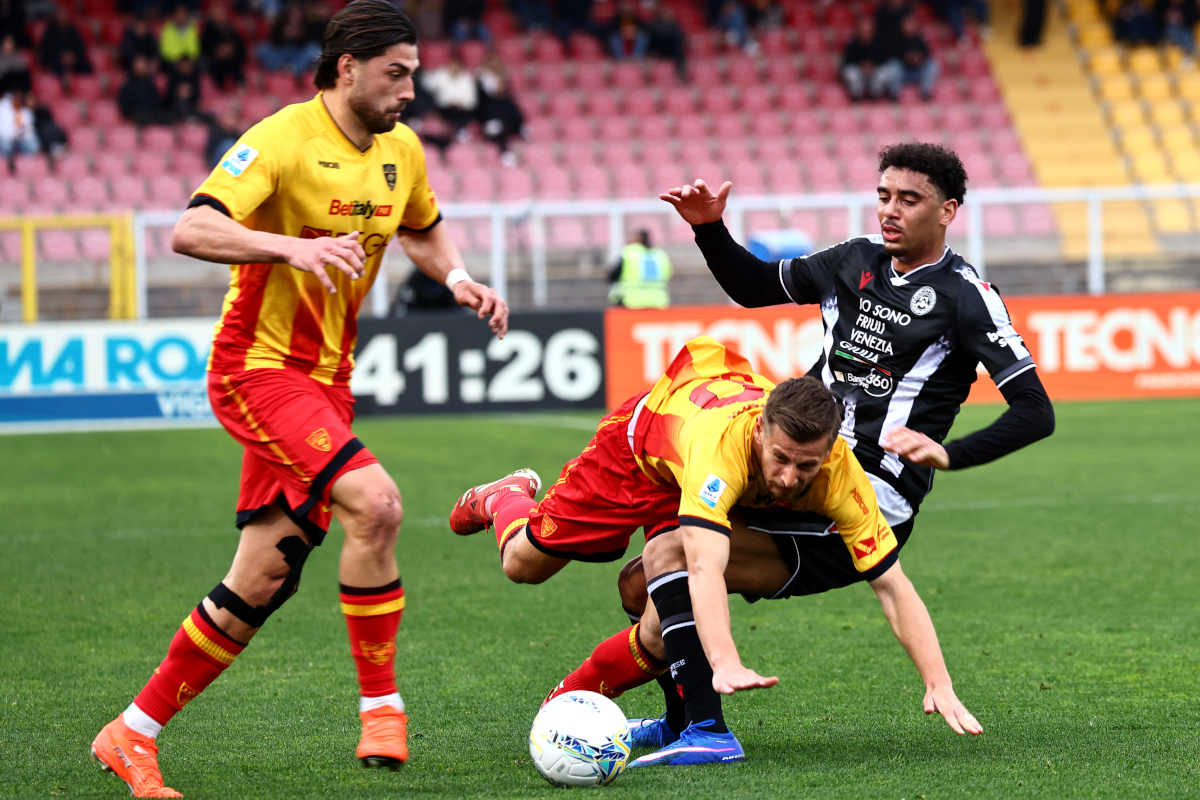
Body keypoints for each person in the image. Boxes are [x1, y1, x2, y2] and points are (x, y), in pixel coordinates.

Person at [89, 3, 509, 797]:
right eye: (397, 73)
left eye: (415, 73)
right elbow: (190, 229)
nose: (411, 90)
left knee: (263, 577)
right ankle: (382, 705)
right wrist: (291, 245)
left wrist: (457, 278)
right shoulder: (281, 140)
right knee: (377, 505)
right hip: (258, 370)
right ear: (346, 66)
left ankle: (131, 734)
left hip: (329, 383)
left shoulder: (402, 150)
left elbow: (420, 225)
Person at [612, 143, 1056, 763]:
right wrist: (709, 230)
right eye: (883, 196)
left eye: (910, 199)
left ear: (948, 210)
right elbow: (754, 286)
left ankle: (707, 732)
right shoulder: (854, 260)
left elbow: (1037, 411)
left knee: (668, 558)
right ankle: (681, 719)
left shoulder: (967, 296)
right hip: (797, 466)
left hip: (868, 497)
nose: (890, 211)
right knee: (645, 581)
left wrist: (949, 454)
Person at [449, 336, 980, 763]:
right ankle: (504, 499)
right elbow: (705, 564)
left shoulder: (840, 472)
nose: (789, 478)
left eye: (806, 466)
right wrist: (724, 662)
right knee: (525, 564)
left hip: (706, 435)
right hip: (641, 448)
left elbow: (892, 583)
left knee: (648, 593)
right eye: (780, 458)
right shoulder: (722, 451)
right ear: (760, 433)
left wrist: (940, 683)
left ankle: (678, 723)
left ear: (830, 451)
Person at [607, 228, 672, 309]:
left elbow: (613, 276)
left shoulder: (630, 252)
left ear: (638, 239)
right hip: (659, 302)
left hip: (632, 302)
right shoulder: (660, 254)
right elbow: (668, 275)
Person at [841, 17, 900, 101]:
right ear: (858, 31)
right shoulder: (853, 45)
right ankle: (856, 97)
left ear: (873, 31)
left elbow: (886, 61)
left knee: (887, 71)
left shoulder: (880, 43)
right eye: (863, 31)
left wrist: (873, 66)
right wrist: (861, 66)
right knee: (851, 72)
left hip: (875, 73)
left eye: (868, 31)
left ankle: (875, 96)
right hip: (860, 74)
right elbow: (847, 63)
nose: (866, 33)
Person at [257, 4, 323, 77]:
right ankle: (279, 69)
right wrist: (284, 36)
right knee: (262, 47)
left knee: (314, 47)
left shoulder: (306, 25)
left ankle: (292, 70)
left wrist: (300, 36)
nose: (295, 17)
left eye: (297, 15)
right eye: (293, 14)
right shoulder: (281, 24)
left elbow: (311, 43)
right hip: (282, 53)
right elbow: (273, 42)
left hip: (297, 54)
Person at [421, 53, 477, 135]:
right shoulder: (441, 74)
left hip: (461, 111)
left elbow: (472, 102)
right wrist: (431, 71)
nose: (454, 67)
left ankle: (460, 134)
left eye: (456, 64)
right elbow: (427, 86)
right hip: (443, 110)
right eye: (452, 64)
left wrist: (460, 104)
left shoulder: (467, 78)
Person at [200, 3, 247, 88]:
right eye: (216, 14)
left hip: (232, 60)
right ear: (212, 17)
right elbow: (204, 48)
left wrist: (231, 49)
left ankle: (242, 89)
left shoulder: (231, 29)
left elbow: (241, 47)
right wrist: (217, 51)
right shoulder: (207, 31)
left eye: (221, 14)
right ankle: (219, 92)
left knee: (236, 63)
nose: (220, 16)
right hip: (215, 62)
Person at [38, 6, 93, 78]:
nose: (62, 17)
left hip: (73, 60)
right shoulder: (50, 31)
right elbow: (46, 49)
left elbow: (81, 48)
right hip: (57, 60)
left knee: (88, 68)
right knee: (54, 68)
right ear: (56, 16)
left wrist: (73, 56)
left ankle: (84, 87)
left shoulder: (73, 30)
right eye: (60, 15)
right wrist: (61, 56)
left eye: (64, 15)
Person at [895, 14, 939, 100]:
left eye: (911, 24)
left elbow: (927, 55)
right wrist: (907, 59)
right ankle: (894, 94)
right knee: (893, 66)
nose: (909, 27)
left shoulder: (919, 39)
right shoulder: (897, 39)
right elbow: (894, 56)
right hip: (903, 72)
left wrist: (919, 59)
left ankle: (925, 92)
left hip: (918, 72)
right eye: (907, 24)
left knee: (933, 65)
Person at [118, 53, 170, 125]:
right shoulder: (128, 85)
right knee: (144, 116)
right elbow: (125, 107)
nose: (141, 66)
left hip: (151, 112)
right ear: (133, 66)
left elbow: (156, 102)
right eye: (139, 63)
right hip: (137, 115)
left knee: (167, 116)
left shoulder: (150, 84)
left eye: (143, 63)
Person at [0, 74, 38, 159]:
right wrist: (14, 135)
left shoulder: (25, 111)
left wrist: (21, 134)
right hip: (7, 139)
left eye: (20, 95)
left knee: (34, 145)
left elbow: (29, 130)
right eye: (16, 95)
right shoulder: (3, 106)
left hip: (20, 139)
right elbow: (4, 131)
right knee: (6, 145)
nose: (18, 97)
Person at [159, 4, 201, 69]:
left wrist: (187, 60)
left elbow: (195, 49)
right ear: (174, 15)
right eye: (179, 14)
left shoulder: (192, 28)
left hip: (190, 61)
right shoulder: (168, 28)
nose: (181, 17)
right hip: (173, 61)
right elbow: (165, 50)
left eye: (183, 14)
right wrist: (178, 60)